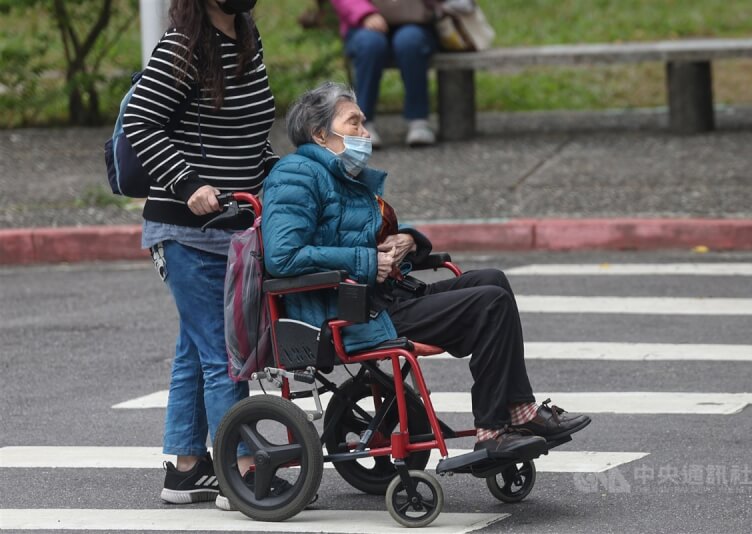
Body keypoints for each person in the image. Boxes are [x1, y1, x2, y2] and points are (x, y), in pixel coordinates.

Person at [261, 82, 591, 453]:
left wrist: (409, 242)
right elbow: (283, 256)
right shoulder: (296, 175)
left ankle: (519, 408)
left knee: (492, 280)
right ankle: (492, 430)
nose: (365, 133)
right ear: (321, 134)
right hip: (346, 315)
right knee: (488, 303)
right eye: (354, 123)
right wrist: (366, 260)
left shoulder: (344, 177)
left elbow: (366, 237)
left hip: (384, 297)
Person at [122, 0, 278, 508]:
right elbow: (142, 123)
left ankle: (186, 468)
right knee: (225, 354)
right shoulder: (181, 48)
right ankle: (240, 470)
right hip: (185, 231)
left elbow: (250, 136)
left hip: (234, 228)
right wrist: (187, 183)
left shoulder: (245, 44)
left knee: (198, 347)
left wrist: (288, 174)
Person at [329, 0, 438, 147]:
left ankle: (419, 120)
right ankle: (361, 122)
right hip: (362, 23)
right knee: (370, 44)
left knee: (410, 42)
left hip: (415, 21)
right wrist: (364, 14)